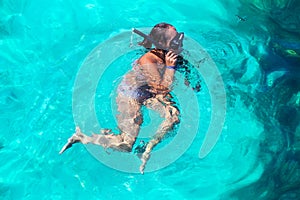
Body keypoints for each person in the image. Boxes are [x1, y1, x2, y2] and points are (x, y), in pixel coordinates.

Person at [60, 22, 184, 174]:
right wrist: (171, 67)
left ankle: (147, 148)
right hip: (131, 94)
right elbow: (161, 90)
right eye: (174, 40)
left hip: (149, 91)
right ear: (162, 44)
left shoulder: (170, 53)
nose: (179, 41)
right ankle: (82, 137)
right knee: (126, 145)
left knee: (173, 117)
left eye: (179, 36)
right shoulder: (148, 60)